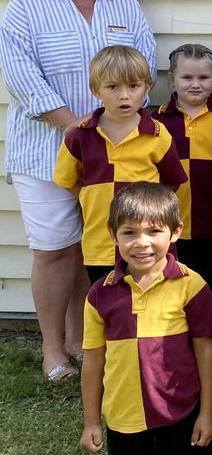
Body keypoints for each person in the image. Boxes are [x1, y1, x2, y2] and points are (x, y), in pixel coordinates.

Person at [0, 0, 155, 381]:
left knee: (94, 248)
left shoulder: (124, 7)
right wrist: (79, 129)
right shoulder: (26, 5)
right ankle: (53, 350)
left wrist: (114, 128)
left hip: (115, 151)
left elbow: (144, 68)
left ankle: (81, 339)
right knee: (53, 249)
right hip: (44, 149)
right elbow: (23, 78)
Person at [78, 182, 212, 455]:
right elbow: (93, 360)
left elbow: (206, 352)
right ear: (113, 235)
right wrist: (91, 422)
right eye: (129, 233)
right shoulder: (99, 294)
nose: (142, 243)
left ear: (176, 232)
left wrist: (207, 414)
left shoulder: (192, 286)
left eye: (154, 231)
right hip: (124, 414)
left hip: (180, 410)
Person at [53, 46, 186, 284]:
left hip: (148, 245)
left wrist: (147, 204)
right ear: (96, 90)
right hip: (101, 242)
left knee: (153, 301)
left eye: (133, 86)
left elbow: (172, 182)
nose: (124, 96)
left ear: (147, 87)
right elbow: (66, 179)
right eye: (113, 87)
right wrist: (91, 197)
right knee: (107, 305)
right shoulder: (81, 135)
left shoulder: (156, 134)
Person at [153, 43, 212, 327]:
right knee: (179, 282)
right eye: (187, 78)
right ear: (171, 80)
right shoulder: (156, 122)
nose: (196, 84)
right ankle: (182, 334)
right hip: (174, 221)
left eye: (204, 78)